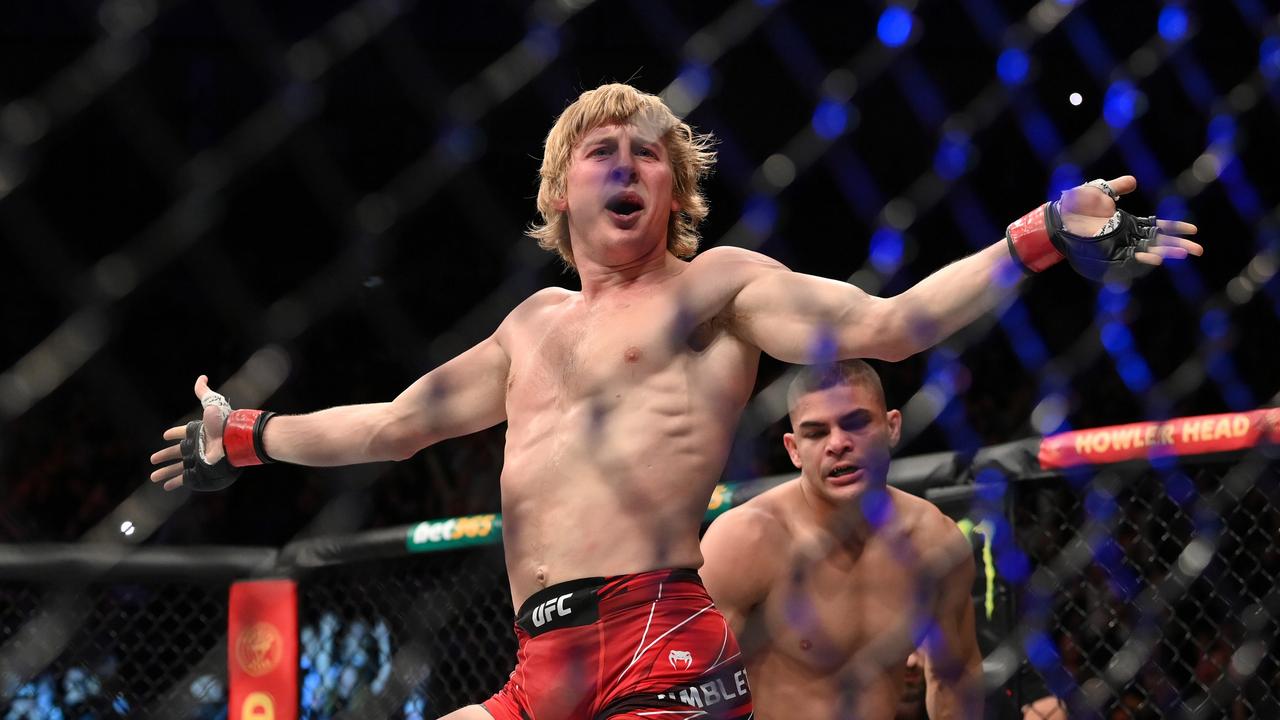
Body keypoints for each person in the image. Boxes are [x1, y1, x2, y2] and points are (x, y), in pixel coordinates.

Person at [149, 83, 1200, 719]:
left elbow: (890, 326)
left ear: (672, 190)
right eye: (599, 153)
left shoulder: (716, 292)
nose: (623, 166)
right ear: (561, 192)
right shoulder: (528, 330)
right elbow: (388, 427)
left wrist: (1036, 238)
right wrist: (243, 435)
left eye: (644, 153)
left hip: (659, 637)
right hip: (537, 661)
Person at [700, 360, 983, 718]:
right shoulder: (747, 541)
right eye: (816, 433)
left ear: (892, 426)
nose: (838, 443)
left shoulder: (934, 541)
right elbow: (692, 690)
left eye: (856, 423)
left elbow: (954, 681)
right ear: (794, 449)